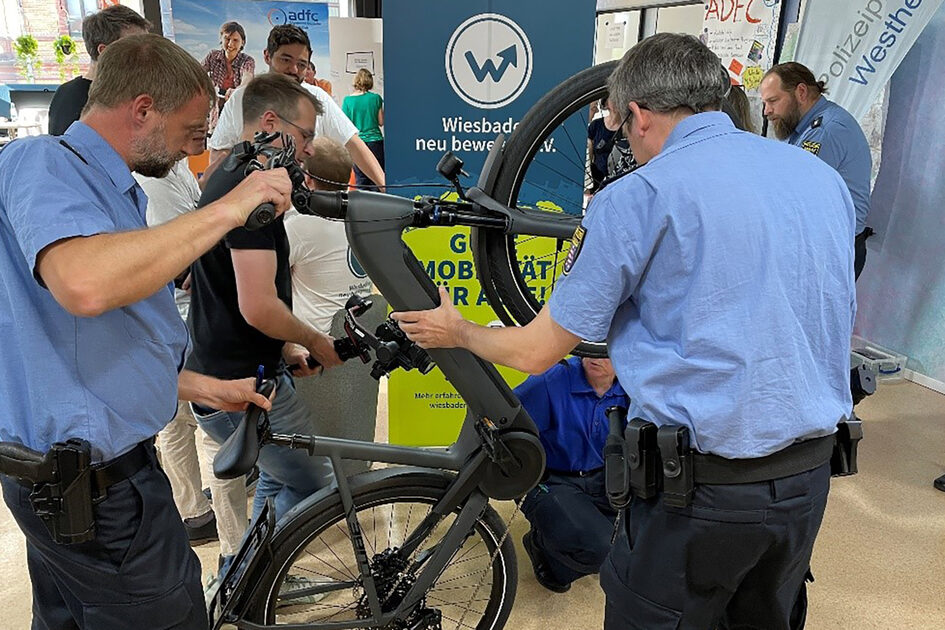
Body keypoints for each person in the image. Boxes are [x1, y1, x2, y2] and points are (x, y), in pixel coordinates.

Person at [392, 33, 856, 630]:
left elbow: (537, 351)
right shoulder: (819, 179)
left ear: (636, 114)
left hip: (698, 496)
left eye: (617, 124)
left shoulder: (638, 196)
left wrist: (461, 331)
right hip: (808, 480)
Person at [0, 33, 290, 629]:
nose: (195, 149)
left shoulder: (108, 190)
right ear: (141, 109)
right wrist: (231, 207)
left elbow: (84, 346)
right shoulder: (45, 162)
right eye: (190, 130)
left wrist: (203, 387)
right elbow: (84, 286)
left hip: (82, 483)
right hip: (96, 495)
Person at [186, 74, 342, 567]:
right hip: (234, 384)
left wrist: (285, 347)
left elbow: (243, 297)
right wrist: (315, 340)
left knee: (278, 478)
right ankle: (254, 581)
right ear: (271, 123)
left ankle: (245, 581)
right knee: (319, 484)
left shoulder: (230, 171)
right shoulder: (250, 187)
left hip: (247, 367)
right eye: (306, 136)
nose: (310, 149)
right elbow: (257, 304)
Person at [206, 25, 384, 190]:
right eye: (285, 60)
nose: (293, 69)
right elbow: (220, 153)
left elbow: (353, 145)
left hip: (306, 208)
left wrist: (385, 187)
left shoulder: (318, 97)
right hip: (255, 208)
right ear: (267, 56)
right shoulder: (241, 99)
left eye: (301, 64)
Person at [516, 357, 629, 593]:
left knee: (633, 548)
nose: (595, 357)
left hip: (604, 477)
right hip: (551, 479)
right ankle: (542, 547)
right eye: (589, 346)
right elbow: (504, 423)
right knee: (602, 550)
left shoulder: (632, 386)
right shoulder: (553, 378)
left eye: (607, 350)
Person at [761, 62, 872, 278]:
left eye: (773, 101)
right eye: (765, 103)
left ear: (801, 92)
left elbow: (792, 195)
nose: (767, 111)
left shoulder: (826, 131)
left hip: (832, 253)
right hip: (823, 245)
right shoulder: (803, 127)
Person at [287, 137, 372, 335]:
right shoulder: (365, 217)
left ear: (306, 179)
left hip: (309, 345)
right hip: (358, 337)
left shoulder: (300, 225)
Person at [47, 4, 150, 135]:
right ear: (105, 52)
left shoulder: (65, 92)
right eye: (135, 48)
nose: (146, 54)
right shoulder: (96, 101)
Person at [202, 21, 255, 131]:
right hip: (214, 107)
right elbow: (197, 72)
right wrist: (207, 83)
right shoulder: (212, 56)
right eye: (227, 39)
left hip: (236, 107)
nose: (230, 44)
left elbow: (247, 78)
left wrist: (237, 90)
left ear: (242, 43)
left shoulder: (247, 60)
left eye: (235, 40)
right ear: (221, 39)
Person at [342, 68, 384, 189]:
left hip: (358, 144)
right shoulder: (376, 98)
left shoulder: (348, 100)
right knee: (377, 179)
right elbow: (381, 122)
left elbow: (346, 125)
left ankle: (364, 206)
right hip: (375, 142)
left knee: (361, 179)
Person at [586, 95, 617, 194]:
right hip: (596, 180)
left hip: (619, 179)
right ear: (606, 103)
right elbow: (588, 153)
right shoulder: (596, 125)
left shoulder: (629, 126)